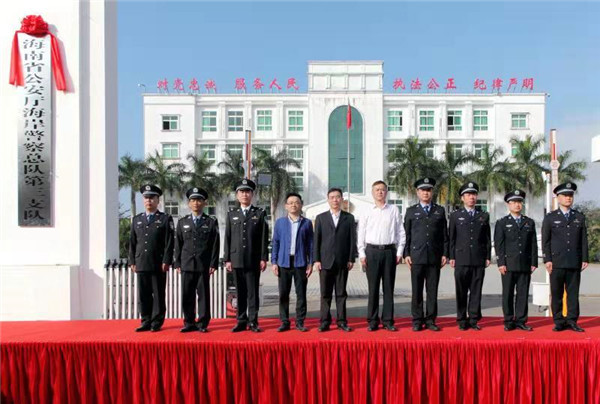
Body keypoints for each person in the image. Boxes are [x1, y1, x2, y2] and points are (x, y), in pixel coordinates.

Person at [357, 181, 406, 331]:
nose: (380, 192)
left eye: (383, 190)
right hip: (371, 252)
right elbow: (361, 233)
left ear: (387, 192)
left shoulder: (393, 210)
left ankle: (388, 320)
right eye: (377, 190)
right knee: (373, 289)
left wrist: (399, 252)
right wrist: (361, 253)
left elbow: (401, 232)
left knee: (388, 288)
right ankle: (372, 320)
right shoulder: (366, 211)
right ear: (373, 193)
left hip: (389, 252)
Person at [542, 182, 589, 332]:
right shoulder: (550, 218)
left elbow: (583, 239)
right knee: (556, 293)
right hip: (556, 262)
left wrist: (585, 258)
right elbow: (546, 240)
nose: (568, 198)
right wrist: (547, 259)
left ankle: (572, 320)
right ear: (558, 197)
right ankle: (559, 321)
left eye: (571, 195)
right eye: (565, 195)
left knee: (573, 294)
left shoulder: (579, 217)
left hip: (574, 261)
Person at [224, 179, 269, 333]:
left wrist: (263, 258)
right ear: (237, 195)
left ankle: (253, 321)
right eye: (241, 192)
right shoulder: (232, 214)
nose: (245, 194)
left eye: (247, 191)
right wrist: (227, 259)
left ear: (252, 194)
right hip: (236, 259)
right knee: (240, 292)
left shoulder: (259, 213)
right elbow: (227, 238)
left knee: (252, 292)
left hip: (253, 259)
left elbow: (264, 238)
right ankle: (241, 320)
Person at [403, 178, 448, 332]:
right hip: (416, 256)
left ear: (432, 192)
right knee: (416, 290)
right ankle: (417, 320)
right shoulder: (411, 211)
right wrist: (406, 253)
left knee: (432, 291)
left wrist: (445, 253)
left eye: (428, 190)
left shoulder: (439, 211)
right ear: (418, 192)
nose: (425, 193)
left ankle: (430, 320)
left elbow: (444, 235)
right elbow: (406, 234)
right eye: (422, 190)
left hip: (434, 257)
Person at [128, 184, 174, 332]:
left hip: (157, 262)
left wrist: (167, 260)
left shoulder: (165, 219)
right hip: (141, 262)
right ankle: (145, 320)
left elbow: (169, 242)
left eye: (152, 198)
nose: (149, 201)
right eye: (146, 198)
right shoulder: (137, 220)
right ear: (143, 200)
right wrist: (132, 261)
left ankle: (157, 321)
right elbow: (132, 242)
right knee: (144, 294)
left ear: (157, 200)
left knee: (158, 294)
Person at [173, 187, 220, 333]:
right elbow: (178, 245)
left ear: (204, 203)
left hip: (203, 264)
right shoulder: (182, 222)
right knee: (187, 295)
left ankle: (203, 323)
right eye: (193, 200)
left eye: (199, 200)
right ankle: (188, 322)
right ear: (189, 203)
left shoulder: (211, 222)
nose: (196, 203)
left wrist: (213, 263)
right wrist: (177, 263)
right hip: (186, 264)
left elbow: (215, 244)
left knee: (203, 296)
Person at [448, 181, 491, 331]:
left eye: (473, 194)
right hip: (461, 258)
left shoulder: (483, 215)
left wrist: (487, 257)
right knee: (461, 290)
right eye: (468, 194)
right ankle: (461, 318)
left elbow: (487, 238)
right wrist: (451, 256)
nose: (471, 197)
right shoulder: (455, 216)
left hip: (478, 259)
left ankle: (473, 319)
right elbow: (451, 238)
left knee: (476, 290)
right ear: (462, 198)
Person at [313, 188, 356, 332]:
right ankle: (324, 321)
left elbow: (352, 239)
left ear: (342, 199)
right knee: (325, 294)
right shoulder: (321, 218)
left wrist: (351, 258)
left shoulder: (349, 218)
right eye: (332, 197)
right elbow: (316, 240)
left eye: (338, 197)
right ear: (328, 199)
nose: (335, 200)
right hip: (325, 262)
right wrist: (316, 260)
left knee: (341, 293)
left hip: (342, 261)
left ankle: (342, 321)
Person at [494, 190, 537, 331]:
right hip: (508, 264)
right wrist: (501, 263)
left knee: (523, 294)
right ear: (508, 204)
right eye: (514, 202)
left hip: (524, 264)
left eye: (519, 202)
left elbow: (533, 244)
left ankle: (521, 320)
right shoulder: (502, 223)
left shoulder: (529, 222)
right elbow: (499, 245)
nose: (517, 205)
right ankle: (508, 320)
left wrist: (533, 262)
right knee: (507, 293)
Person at [271, 193, 314, 332]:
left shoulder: (306, 223)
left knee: (301, 293)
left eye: (296, 202)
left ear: (301, 205)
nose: (293, 205)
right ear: (286, 206)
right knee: (283, 293)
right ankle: (284, 321)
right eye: (290, 202)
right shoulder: (280, 223)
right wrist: (274, 262)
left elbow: (311, 245)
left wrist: (311, 262)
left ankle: (300, 321)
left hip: (300, 262)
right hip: (284, 262)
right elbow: (275, 243)